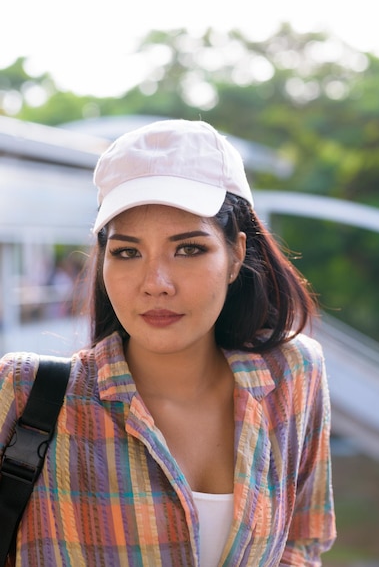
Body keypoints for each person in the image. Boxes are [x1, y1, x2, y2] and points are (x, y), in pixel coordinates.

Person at [0, 119, 336, 566]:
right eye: (127, 252)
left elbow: (303, 541)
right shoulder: (28, 392)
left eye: (188, 249)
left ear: (236, 255)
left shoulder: (294, 374)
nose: (156, 283)